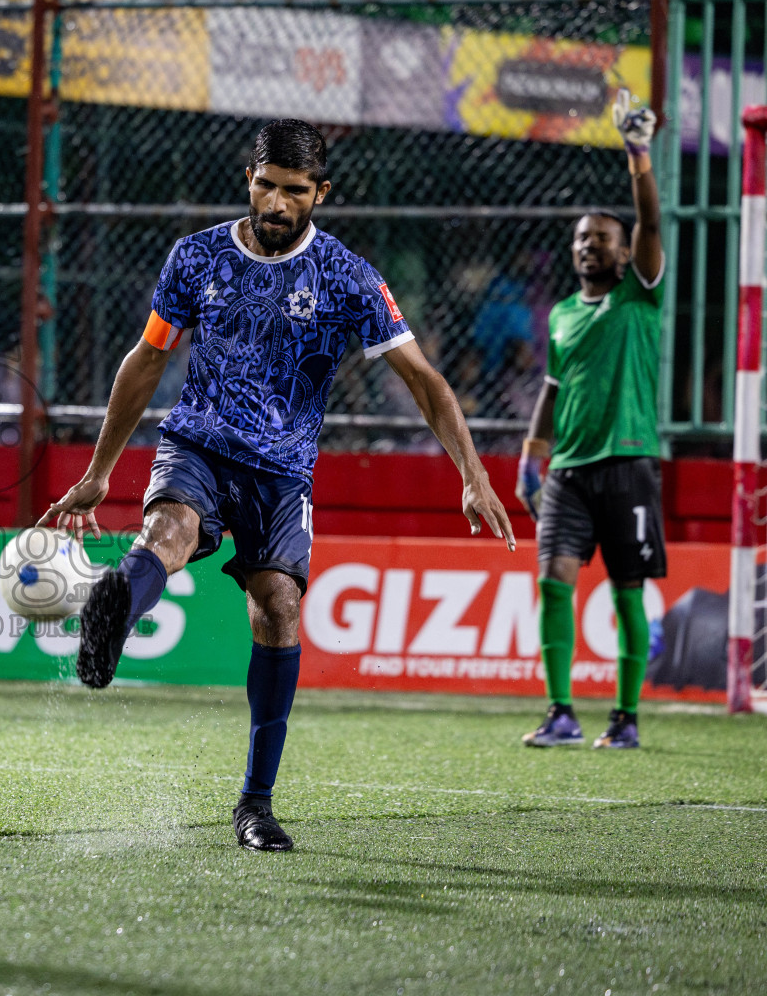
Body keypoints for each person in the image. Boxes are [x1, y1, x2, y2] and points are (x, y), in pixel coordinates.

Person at [40, 120, 516, 853]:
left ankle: (255, 806)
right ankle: (112, 617)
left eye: (295, 191)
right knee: (167, 533)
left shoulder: (348, 278)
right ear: (249, 179)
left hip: (283, 469)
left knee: (280, 608)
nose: (277, 201)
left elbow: (424, 380)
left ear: (319, 193)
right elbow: (145, 360)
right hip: (197, 440)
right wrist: (100, 471)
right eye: (266, 184)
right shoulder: (195, 257)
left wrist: (473, 474)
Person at [515, 90, 666, 751]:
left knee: (626, 590)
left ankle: (626, 718)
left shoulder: (640, 293)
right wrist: (530, 454)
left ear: (625, 253)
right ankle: (560, 713)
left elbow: (653, 226)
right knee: (554, 583)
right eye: (581, 237)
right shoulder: (563, 314)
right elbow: (550, 388)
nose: (588, 246)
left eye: (601, 238)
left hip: (629, 462)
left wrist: (639, 158)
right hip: (569, 471)